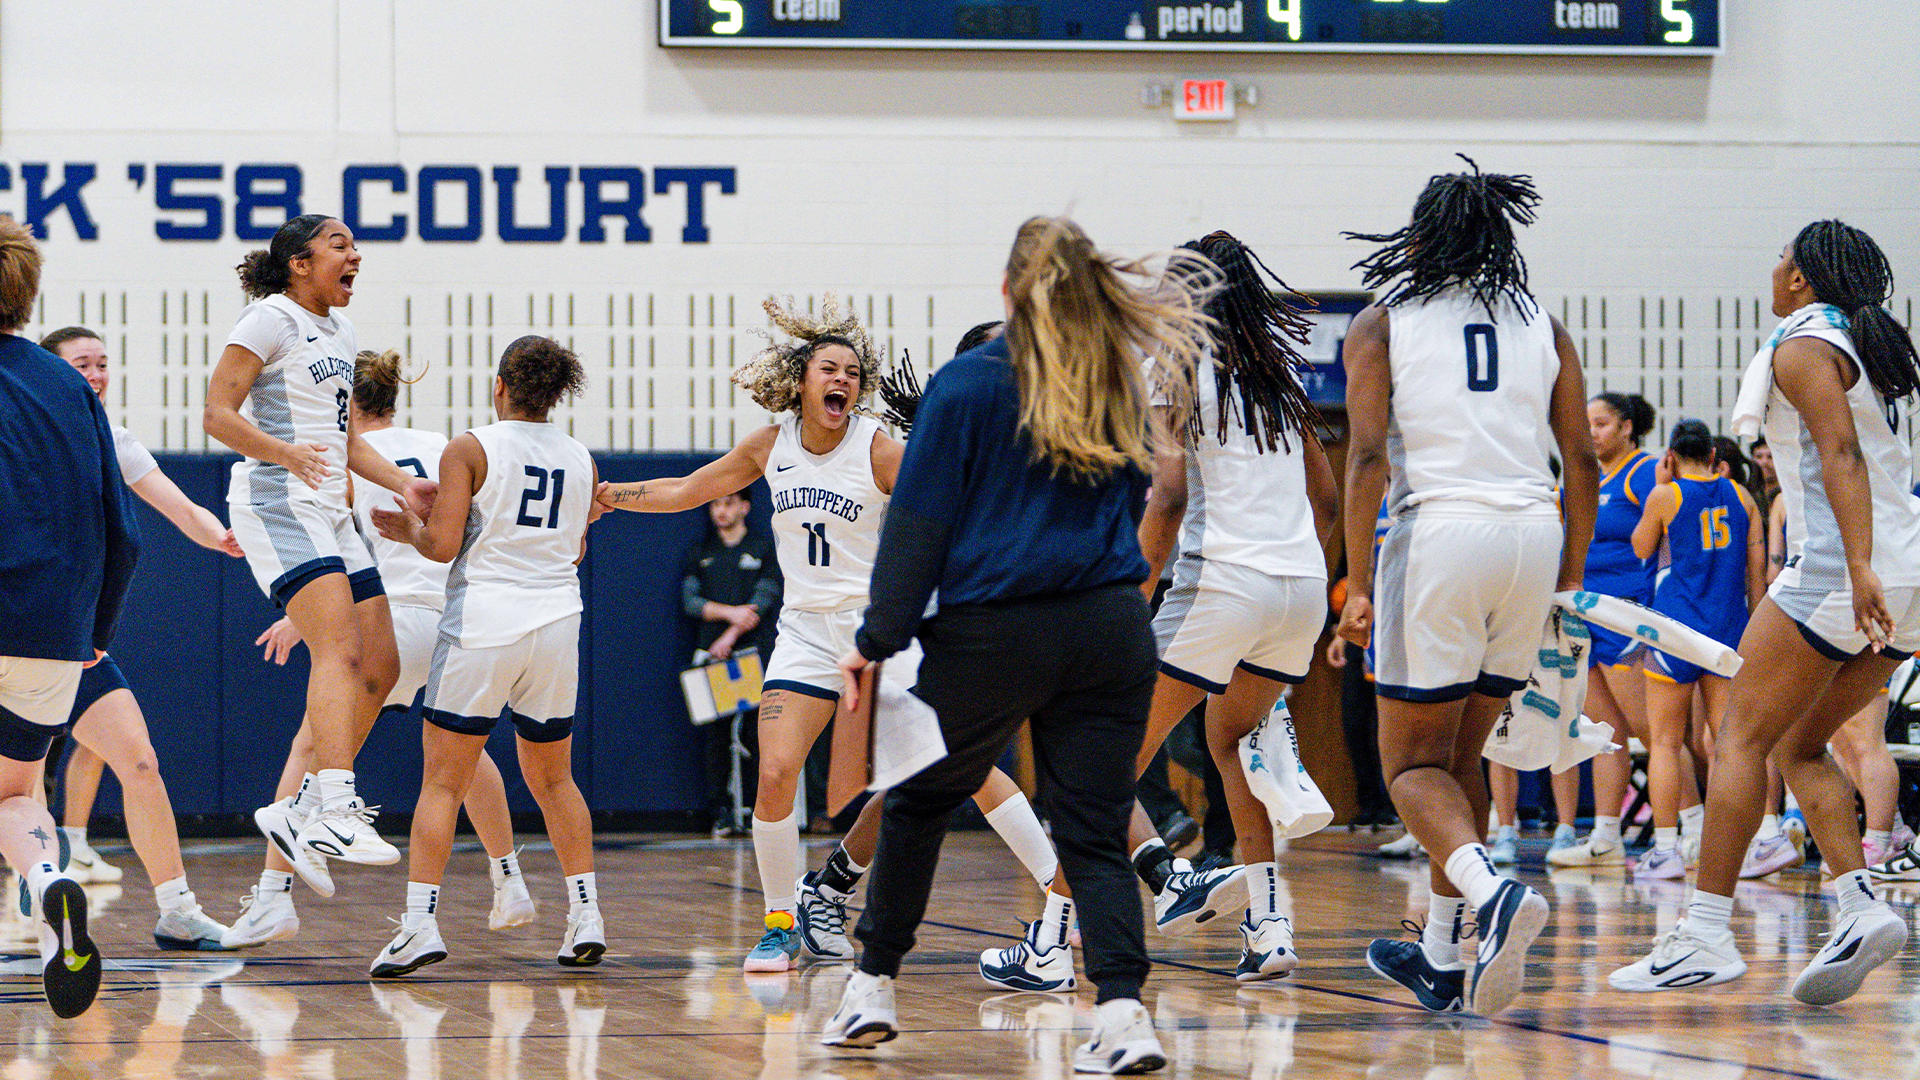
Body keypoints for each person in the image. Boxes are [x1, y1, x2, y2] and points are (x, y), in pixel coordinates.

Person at [820, 215, 1215, 1073]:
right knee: (1096, 830)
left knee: (921, 803)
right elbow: (1143, 502)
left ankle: (871, 990)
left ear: (1007, 293)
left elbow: (918, 528)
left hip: (995, 628)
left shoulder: (967, 386)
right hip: (1110, 626)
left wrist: (877, 638)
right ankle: (1121, 1018)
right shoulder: (1112, 379)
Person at [594, 297, 1056, 974]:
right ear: (802, 382)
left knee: (968, 764)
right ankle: (783, 924)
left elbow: (951, 510)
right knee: (776, 769)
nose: (842, 379)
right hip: (807, 636)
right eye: (828, 369)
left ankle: (1060, 893)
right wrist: (611, 496)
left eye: (851, 372)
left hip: (880, 634)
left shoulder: (878, 449)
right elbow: (690, 489)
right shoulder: (769, 446)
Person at [983, 230, 1335, 992]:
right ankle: (1270, 926)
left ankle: (1049, 945)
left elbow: (1169, 498)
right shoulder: (1280, 375)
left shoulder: (1175, 363)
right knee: (1236, 740)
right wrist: (1306, 578)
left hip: (1224, 584)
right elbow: (1328, 499)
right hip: (1301, 587)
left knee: (1096, 773)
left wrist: (1127, 601)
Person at [1611, 220, 1920, 1002]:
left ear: (1803, 278)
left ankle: (1705, 934)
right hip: (1907, 571)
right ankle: (1856, 905)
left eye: (1782, 254)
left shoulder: (1802, 346)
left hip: (1847, 568)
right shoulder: (1857, 340)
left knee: (1738, 734)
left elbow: (1841, 456)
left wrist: (1853, 564)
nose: (1772, 263)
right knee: (1795, 742)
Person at [1339, 159, 1598, 1016]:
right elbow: (1584, 460)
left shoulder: (1382, 322)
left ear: (1417, 241)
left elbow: (1369, 456)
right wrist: (1566, 576)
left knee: (1409, 765)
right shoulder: (1543, 325)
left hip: (1441, 535)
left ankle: (1493, 899)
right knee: (1461, 760)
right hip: (1534, 535)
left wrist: (1357, 575)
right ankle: (1445, 957)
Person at [243, 350, 537, 947]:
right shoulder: (446, 447)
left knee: (315, 742)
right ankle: (510, 883)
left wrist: (302, 620)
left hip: (393, 620)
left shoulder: (342, 462)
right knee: (464, 759)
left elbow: (337, 557)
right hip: (458, 623)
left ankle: (276, 895)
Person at [204, 215, 434, 931]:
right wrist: (281, 452)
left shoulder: (339, 333)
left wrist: (403, 483)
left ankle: (296, 809)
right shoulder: (268, 317)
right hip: (276, 498)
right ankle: (334, 807)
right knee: (337, 648)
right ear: (300, 262)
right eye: (340, 245)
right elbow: (216, 414)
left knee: (383, 662)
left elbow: (342, 443)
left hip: (329, 507)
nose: (354, 255)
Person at [367, 335, 605, 975]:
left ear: (499, 386)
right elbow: (576, 549)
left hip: (483, 623)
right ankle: (586, 914)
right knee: (555, 780)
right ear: (557, 394)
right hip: (557, 623)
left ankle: (419, 924)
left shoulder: (470, 447)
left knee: (443, 781)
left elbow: (442, 547)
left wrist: (406, 530)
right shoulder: (580, 457)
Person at [33, 326, 239, 950]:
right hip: (21, 629)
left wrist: (221, 534)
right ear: (47, 374)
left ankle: (177, 909)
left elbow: (180, 509)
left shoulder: (114, 442)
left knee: (139, 759)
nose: (94, 375)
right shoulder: (24, 437)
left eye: (102, 364)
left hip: (73, 638)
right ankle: (38, 876)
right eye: (80, 365)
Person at [0, 217, 136, 1017]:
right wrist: (95, 635)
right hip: (53, 627)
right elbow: (124, 528)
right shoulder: (65, 384)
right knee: (19, 794)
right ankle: (49, 883)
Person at [1628, 419, 1763, 880]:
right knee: (1732, 747)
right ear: (1713, 456)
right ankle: (1747, 845)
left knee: (1664, 743)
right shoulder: (1742, 497)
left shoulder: (1666, 495)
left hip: (1675, 631)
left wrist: (1661, 487)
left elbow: (1642, 548)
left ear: (1669, 456)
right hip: (1727, 629)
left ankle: (1666, 851)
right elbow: (1757, 576)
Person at [1550, 391, 1662, 869]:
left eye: (1601, 423)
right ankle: (1607, 837)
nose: (1591, 431)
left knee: (1656, 736)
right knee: (1604, 733)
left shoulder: (1645, 470)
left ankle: (1692, 831)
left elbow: (1671, 532)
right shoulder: (1581, 479)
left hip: (1626, 614)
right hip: (1582, 616)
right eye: (1586, 423)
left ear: (1626, 428)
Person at [682, 491, 780, 833]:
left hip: (751, 655)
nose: (720, 511)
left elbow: (764, 599)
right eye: (714, 504)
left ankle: (757, 808)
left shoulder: (762, 548)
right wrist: (729, 614)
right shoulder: (701, 552)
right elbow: (691, 602)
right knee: (716, 736)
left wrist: (731, 634)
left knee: (758, 732)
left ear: (744, 507)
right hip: (711, 656)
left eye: (728, 503)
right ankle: (721, 810)